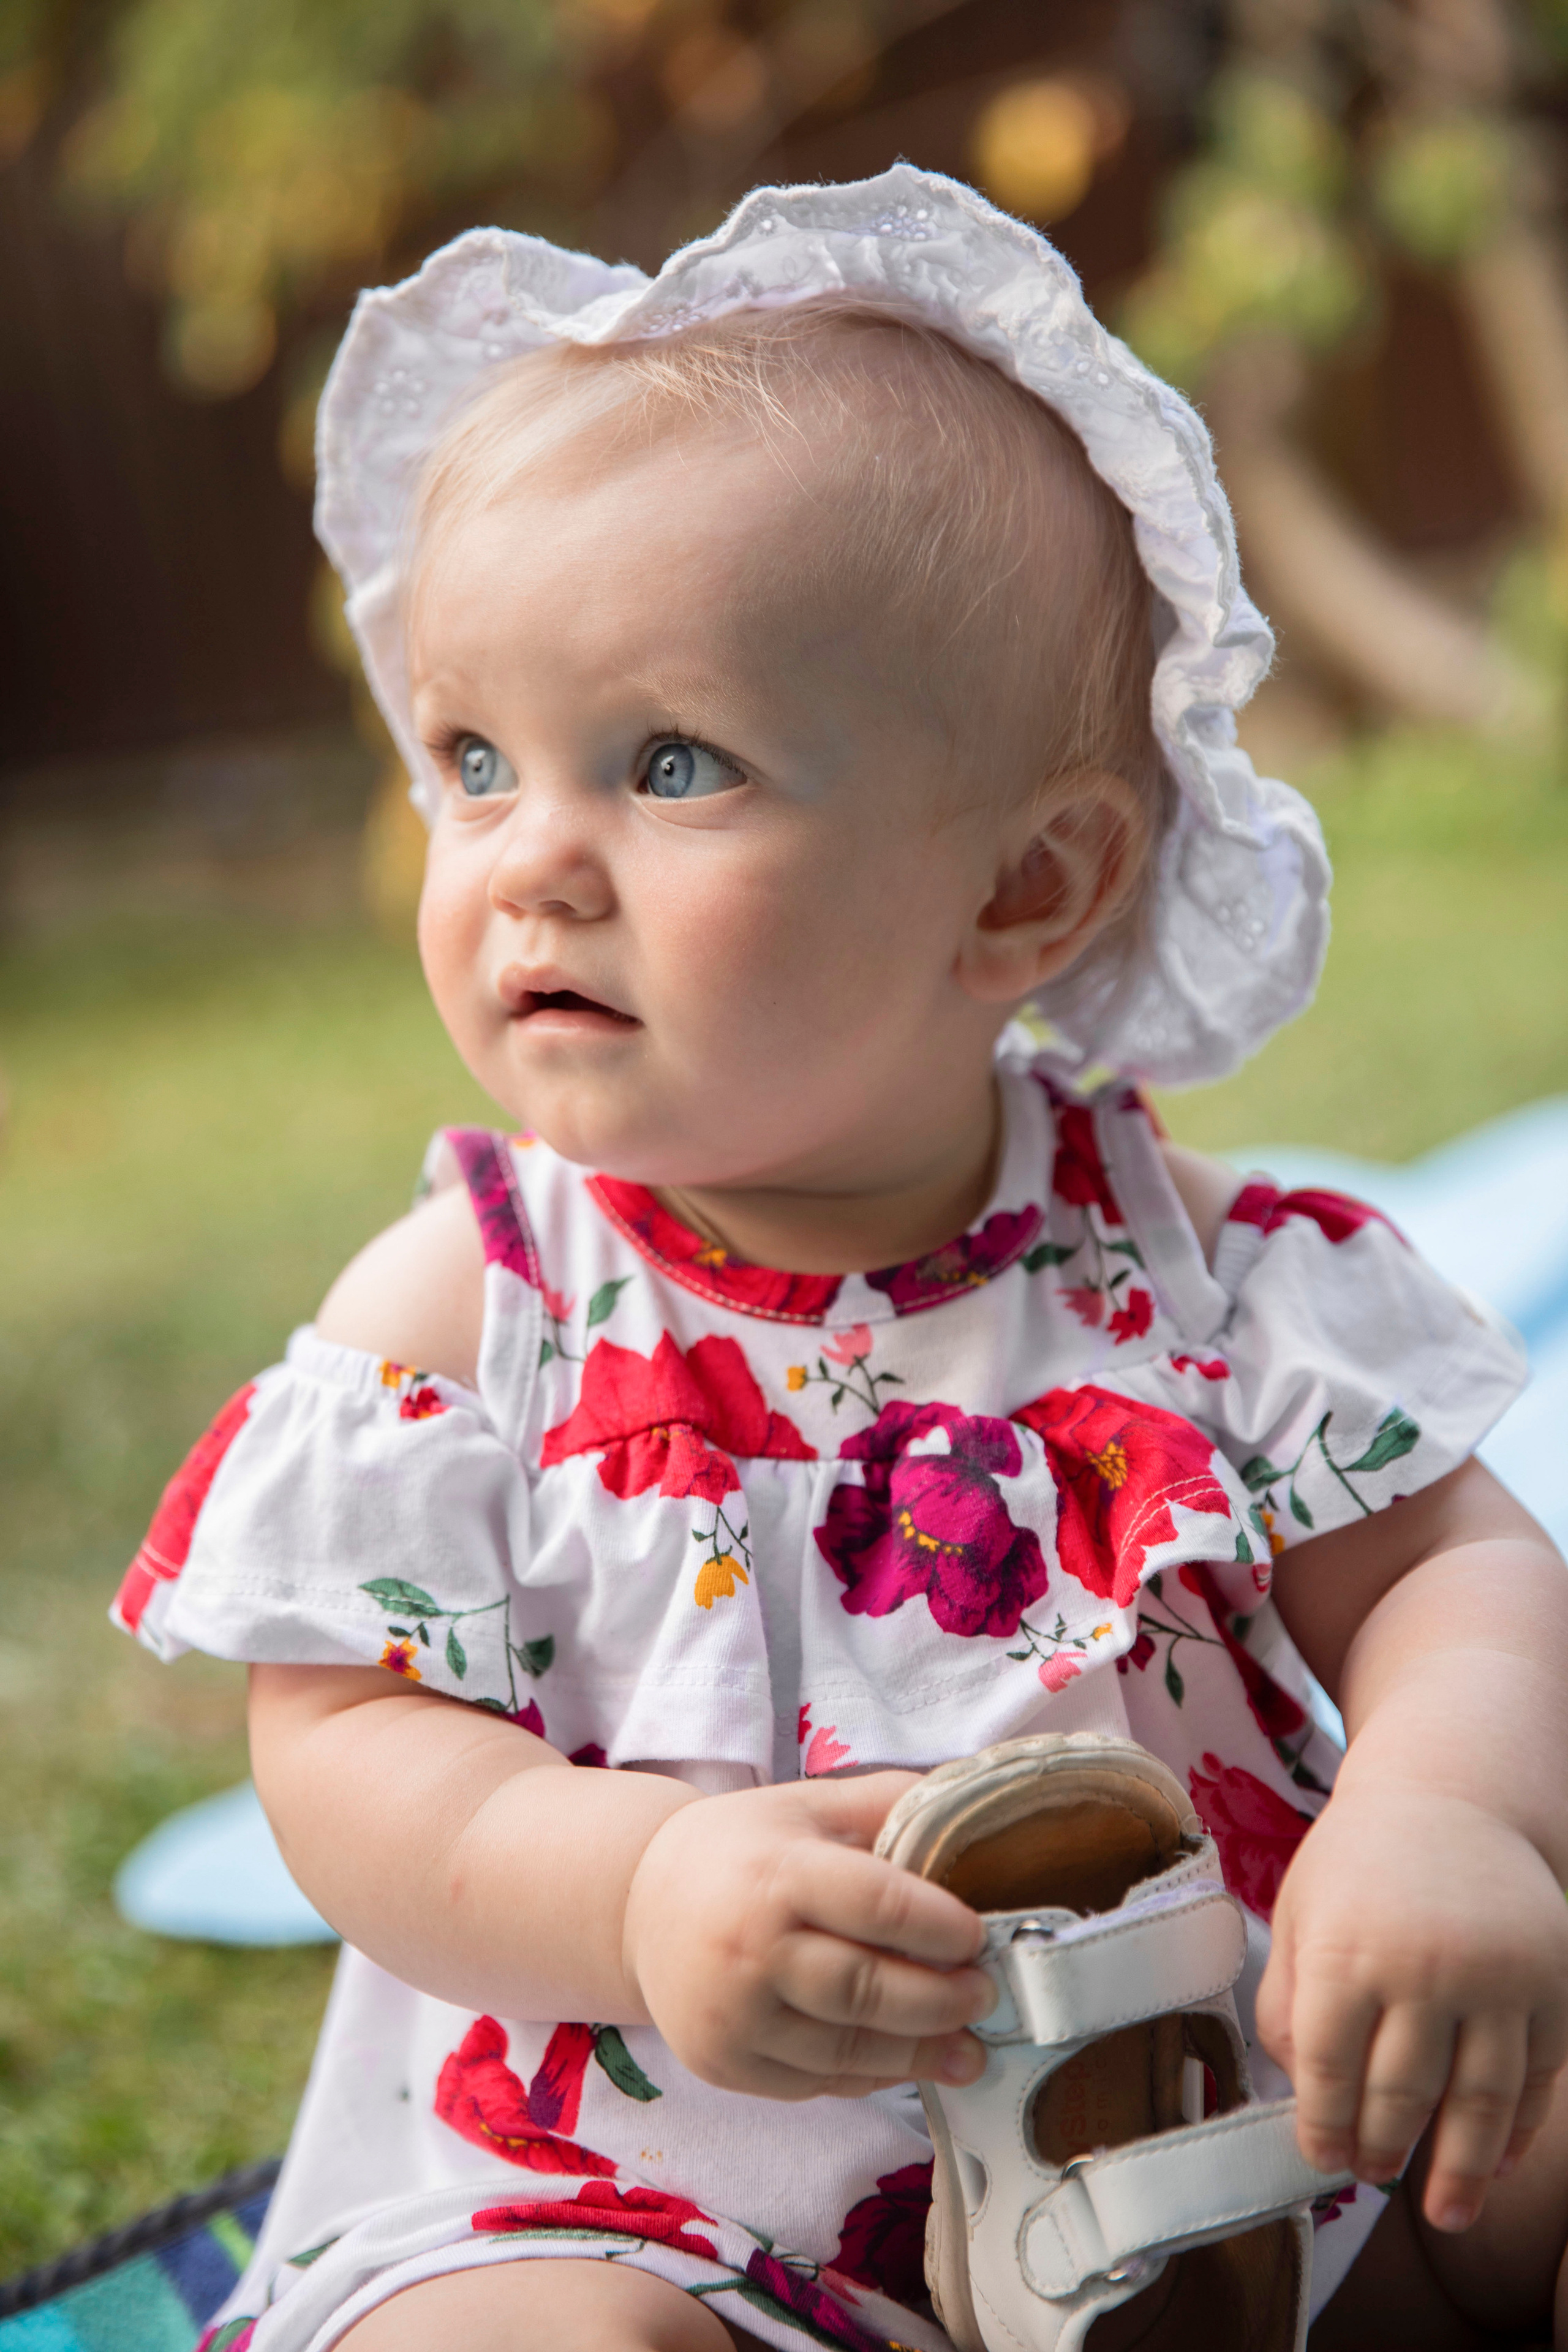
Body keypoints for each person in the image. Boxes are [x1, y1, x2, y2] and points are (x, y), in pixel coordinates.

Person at [114, 167, 1568, 2351]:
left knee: (1528, 2103)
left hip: (1245, 2135)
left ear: (1024, 890)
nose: (531, 865)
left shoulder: (1204, 1273)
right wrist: (633, 1883)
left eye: (669, 764)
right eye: (474, 760)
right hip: (667, 2198)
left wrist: (1451, 1817)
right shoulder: (465, 1312)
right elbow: (339, 1745)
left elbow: (1461, 1576)